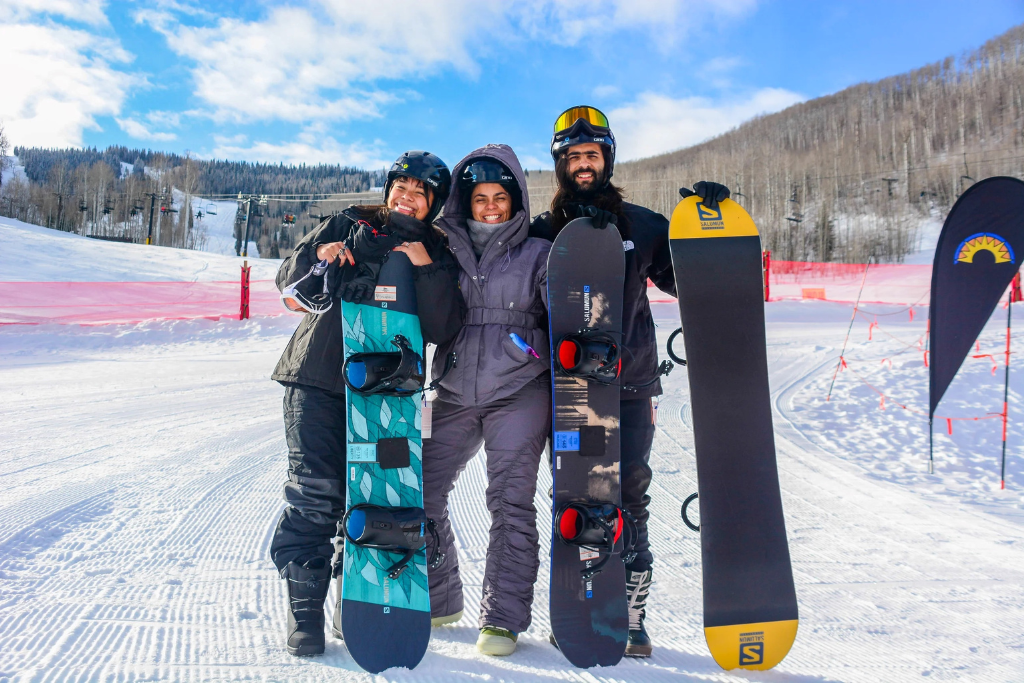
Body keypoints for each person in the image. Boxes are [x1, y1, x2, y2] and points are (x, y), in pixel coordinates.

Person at [530, 106, 730, 657]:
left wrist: (707, 223)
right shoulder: (543, 233)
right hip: (569, 389)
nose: (584, 165)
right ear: (561, 165)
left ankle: (633, 613)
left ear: (608, 159)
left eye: (592, 155)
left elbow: (688, 281)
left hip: (633, 383)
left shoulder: (642, 225)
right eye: (573, 157)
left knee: (631, 494)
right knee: (576, 493)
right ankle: (579, 603)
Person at [269, 151, 464, 657]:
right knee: (316, 493)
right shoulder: (348, 222)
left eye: (421, 192)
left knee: (376, 498)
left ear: (433, 204)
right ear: (388, 190)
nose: (408, 197)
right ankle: (305, 610)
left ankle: (354, 600)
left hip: (386, 396)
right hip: (317, 376)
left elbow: (445, 329)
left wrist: (426, 272)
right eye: (401, 187)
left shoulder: (437, 250)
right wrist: (320, 258)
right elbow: (287, 283)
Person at [423, 144, 551, 657]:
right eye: (481, 198)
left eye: (501, 196)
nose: (491, 206)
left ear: (516, 200)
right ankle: (440, 597)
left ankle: (501, 619)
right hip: (454, 389)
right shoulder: (441, 249)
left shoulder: (540, 252)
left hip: (520, 388)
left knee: (509, 501)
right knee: (421, 489)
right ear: (465, 201)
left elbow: (570, 315)